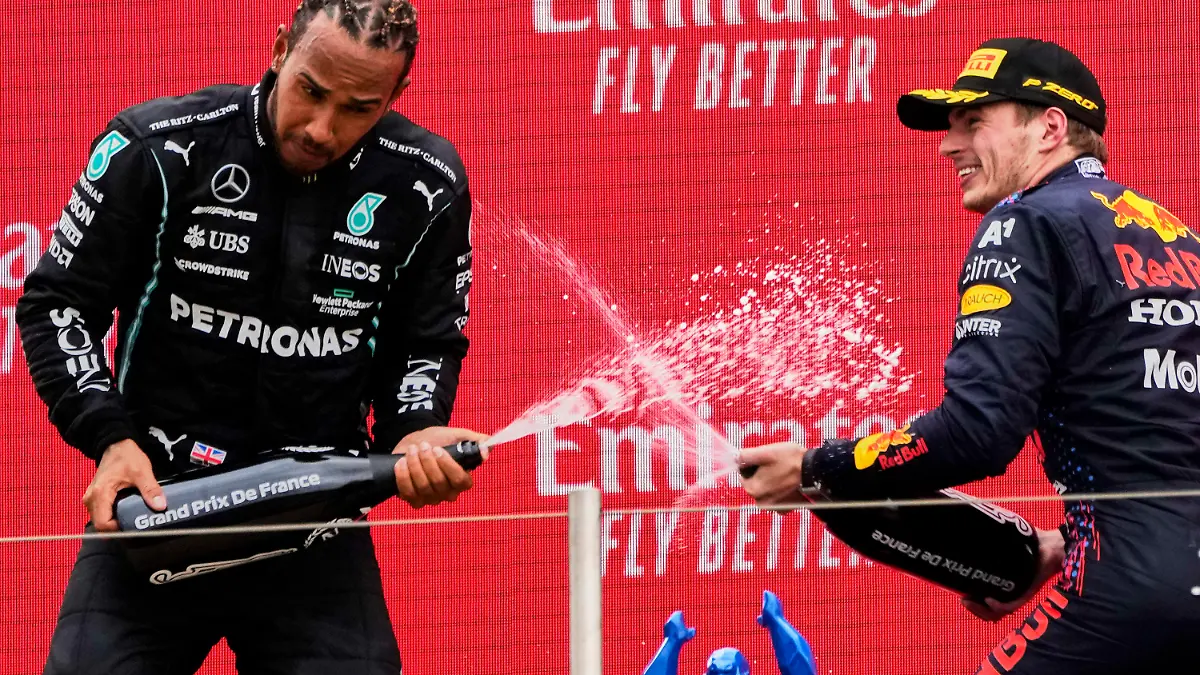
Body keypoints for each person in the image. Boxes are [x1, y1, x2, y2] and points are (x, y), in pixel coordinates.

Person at [16, 1, 485, 673]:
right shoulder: (160, 146)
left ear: (396, 95)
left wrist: (415, 429)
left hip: (316, 524)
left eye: (358, 107)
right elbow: (56, 302)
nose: (323, 128)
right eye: (311, 91)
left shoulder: (426, 183)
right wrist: (109, 439)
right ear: (279, 49)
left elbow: (427, 342)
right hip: (158, 505)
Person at [738, 37, 1200, 674]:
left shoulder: (1025, 221)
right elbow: (1163, 454)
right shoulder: (1179, 239)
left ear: (1050, 128)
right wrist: (1059, 545)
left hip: (1127, 591)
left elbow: (978, 432)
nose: (948, 146)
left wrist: (817, 466)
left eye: (974, 123)